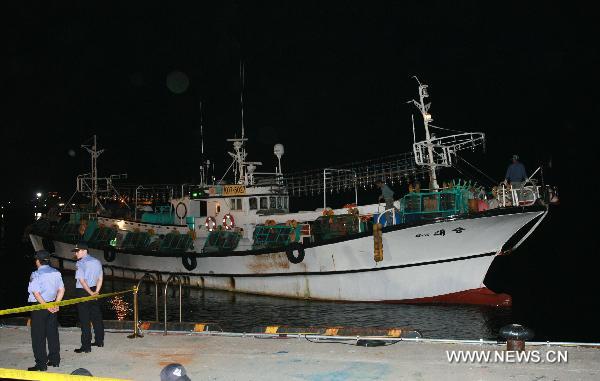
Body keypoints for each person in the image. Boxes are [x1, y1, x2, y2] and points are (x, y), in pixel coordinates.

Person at [27, 250, 65, 371]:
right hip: (53, 306)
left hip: (40, 307)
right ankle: (54, 360)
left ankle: (41, 364)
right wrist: (56, 304)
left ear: (38, 261)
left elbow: (36, 293)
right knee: (52, 333)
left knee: (38, 336)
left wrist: (45, 306)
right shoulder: (56, 273)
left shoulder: (36, 274)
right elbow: (62, 290)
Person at [72, 242, 104, 353]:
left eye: (77, 251)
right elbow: (100, 278)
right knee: (96, 317)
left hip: (83, 291)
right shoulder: (97, 261)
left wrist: (90, 292)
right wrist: (96, 292)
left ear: (84, 251)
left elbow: (81, 280)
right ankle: (99, 341)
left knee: (84, 320)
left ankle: (86, 346)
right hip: (95, 290)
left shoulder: (80, 263)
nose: (76, 253)